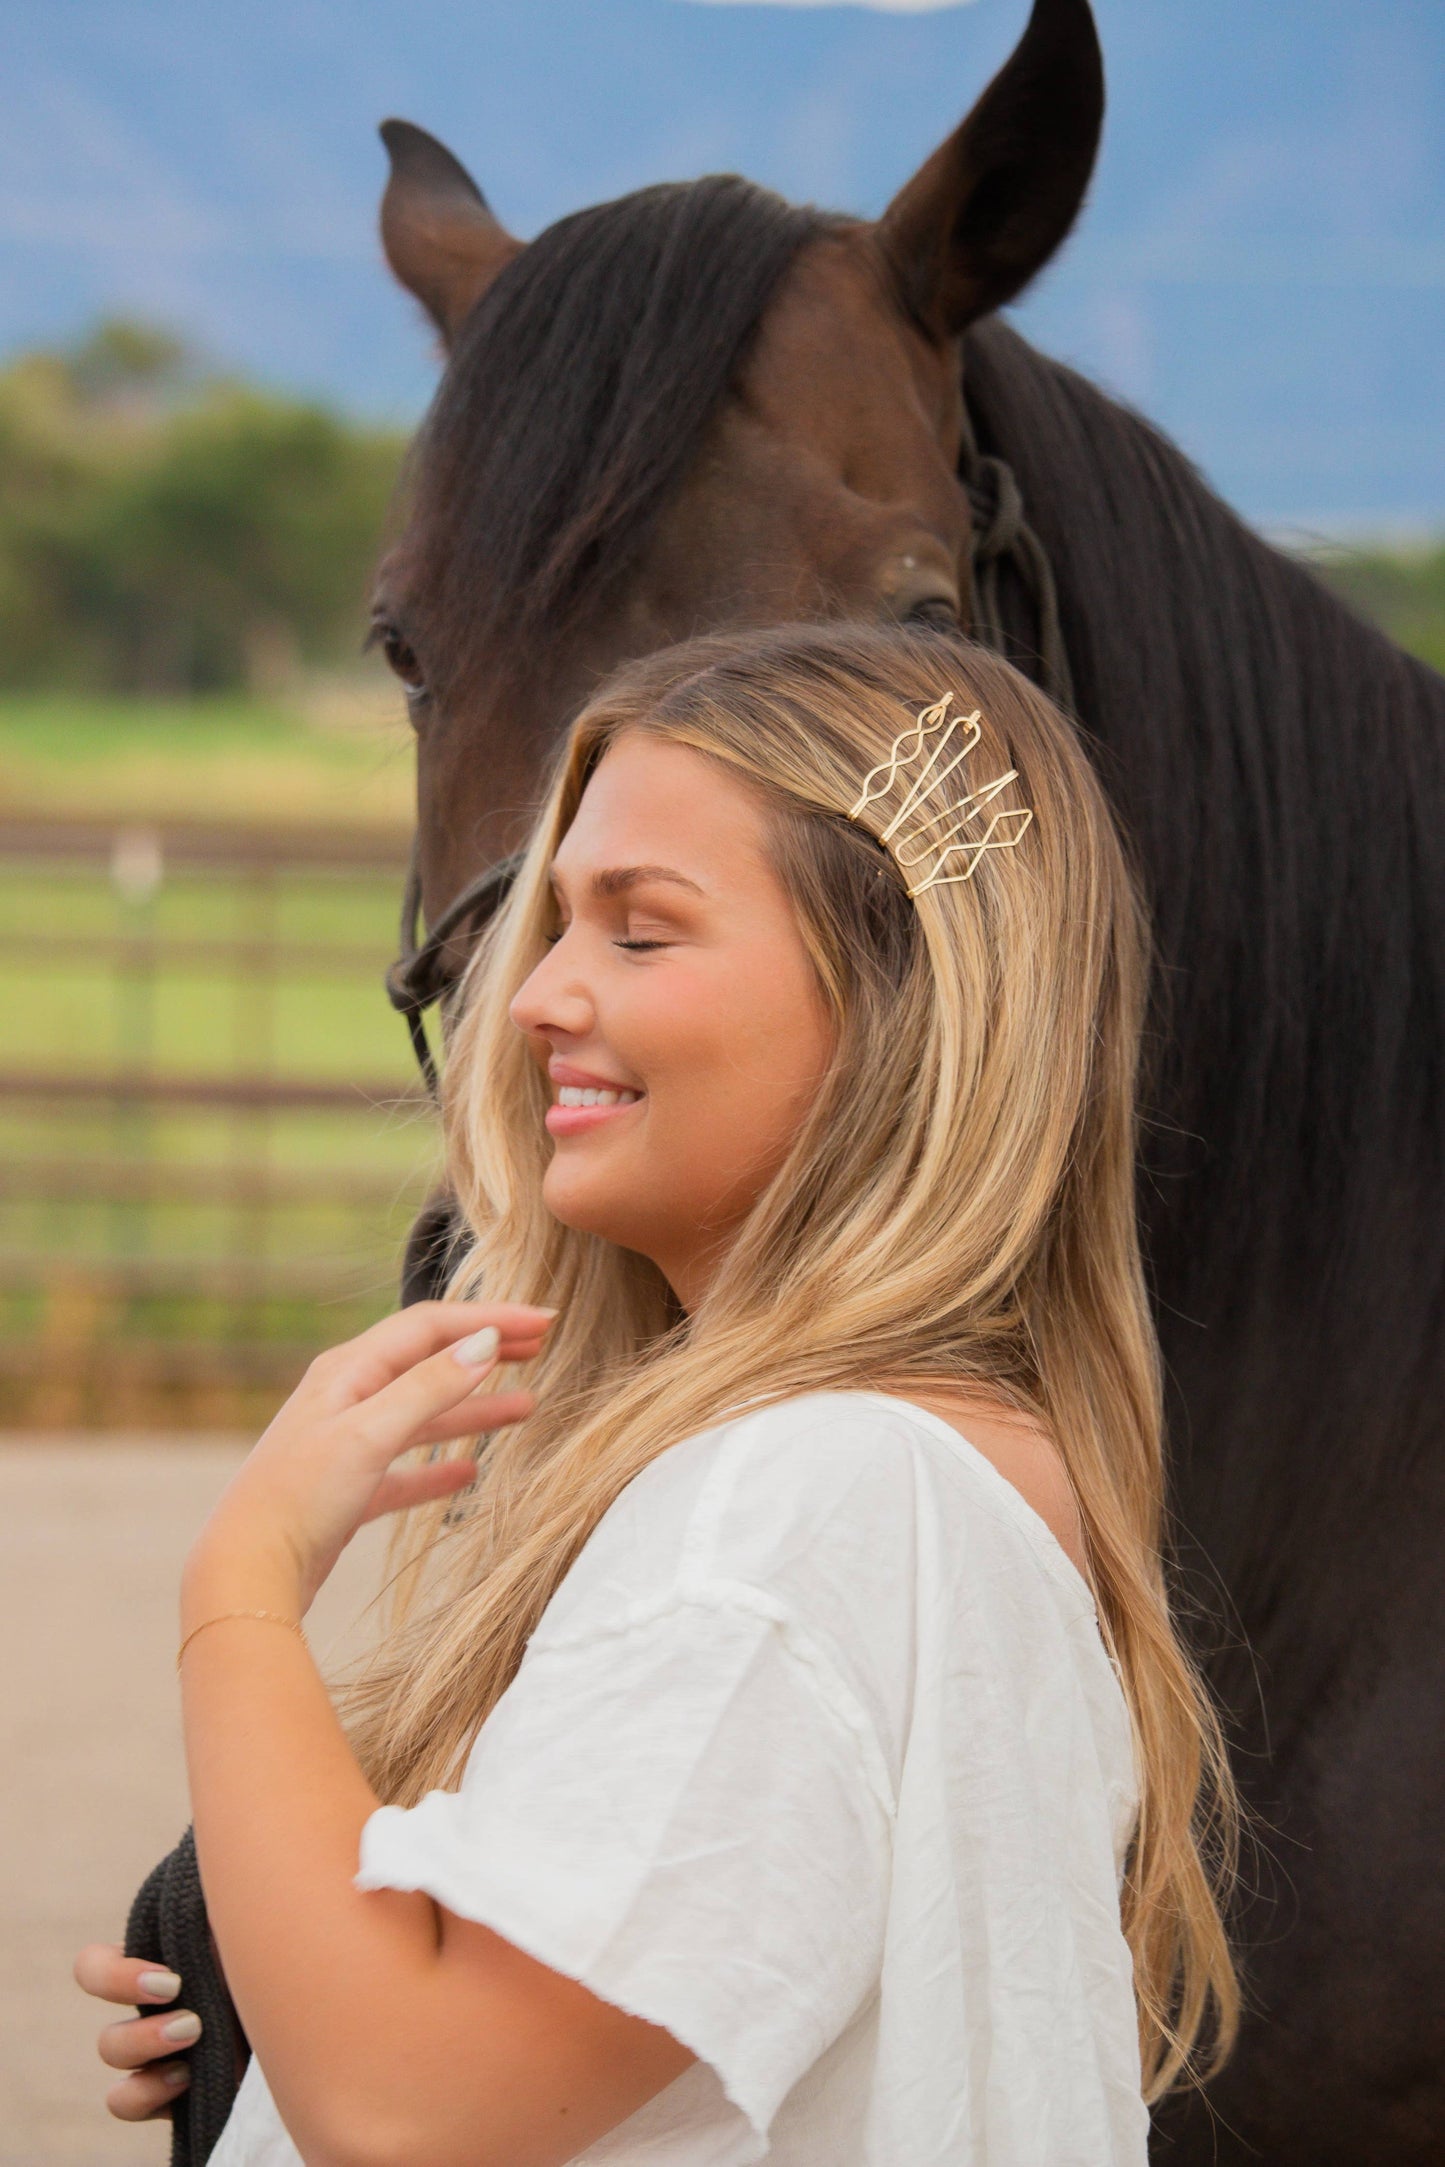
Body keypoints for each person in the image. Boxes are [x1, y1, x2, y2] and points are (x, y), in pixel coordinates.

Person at [76, 623, 1238, 2165]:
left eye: (641, 931)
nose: (537, 995)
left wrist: (239, 1586)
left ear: (901, 999)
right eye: (557, 923)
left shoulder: (803, 1506)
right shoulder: (937, 1480)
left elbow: (409, 2107)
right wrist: (277, 1974)